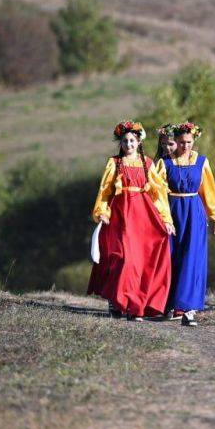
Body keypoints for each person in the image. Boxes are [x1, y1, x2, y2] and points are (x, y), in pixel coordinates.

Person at [87, 120, 176, 321]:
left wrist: (166, 220)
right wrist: (102, 211)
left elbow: (158, 193)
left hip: (143, 217)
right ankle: (117, 301)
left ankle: (135, 308)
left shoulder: (148, 164)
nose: (129, 145)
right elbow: (105, 190)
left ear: (139, 142)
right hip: (120, 217)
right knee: (125, 260)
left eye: (132, 141)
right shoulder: (114, 163)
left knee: (140, 262)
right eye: (125, 141)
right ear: (121, 143)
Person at [155, 122, 215, 327]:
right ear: (175, 141)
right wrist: (165, 219)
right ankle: (168, 304)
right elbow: (157, 193)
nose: (185, 146)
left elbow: (209, 192)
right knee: (171, 257)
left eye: (189, 142)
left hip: (194, 212)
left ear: (194, 141)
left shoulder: (202, 162)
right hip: (172, 211)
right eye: (181, 142)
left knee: (192, 259)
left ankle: (189, 309)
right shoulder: (165, 163)